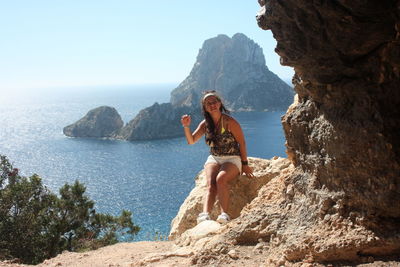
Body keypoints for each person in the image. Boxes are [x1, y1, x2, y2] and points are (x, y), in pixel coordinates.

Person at [181, 91, 254, 224]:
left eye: (214, 101)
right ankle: (205, 214)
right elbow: (191, 141)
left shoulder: (229, 122)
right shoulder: (205, 124)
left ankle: (224, 214)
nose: (212, 105)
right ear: (205, 108)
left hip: (232, 158)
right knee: (210, 183)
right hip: (214, 158)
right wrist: (186, 126)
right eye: (208, 103)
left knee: (221, 179)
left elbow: (241, 142)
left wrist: (245, 164)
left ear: (220, 103)